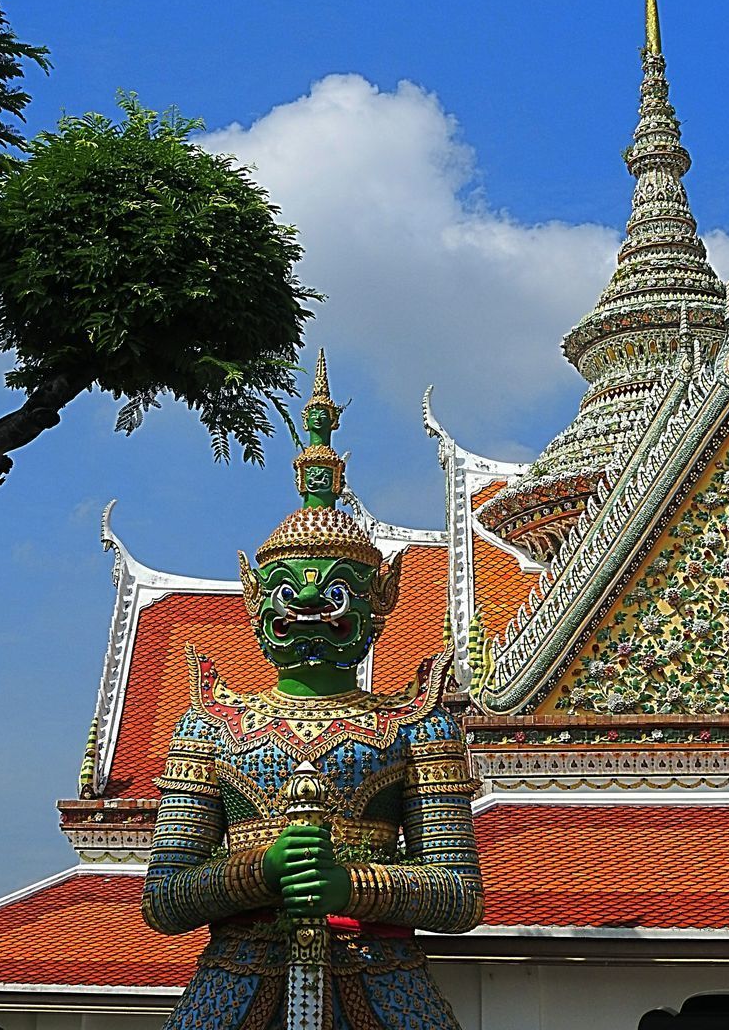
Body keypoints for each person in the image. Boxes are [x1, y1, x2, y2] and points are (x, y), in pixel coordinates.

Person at [143, 351, 483, 1030]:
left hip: (383, 984)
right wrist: (257, 871)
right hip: (236, 983)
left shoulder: (415, 725)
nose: (306, 608)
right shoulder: (211, 727)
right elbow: (165, 900)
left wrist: (349, 884)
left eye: (331, 592)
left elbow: (459, 896)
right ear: (254, 603)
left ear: (377, 602)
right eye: (287, 592)